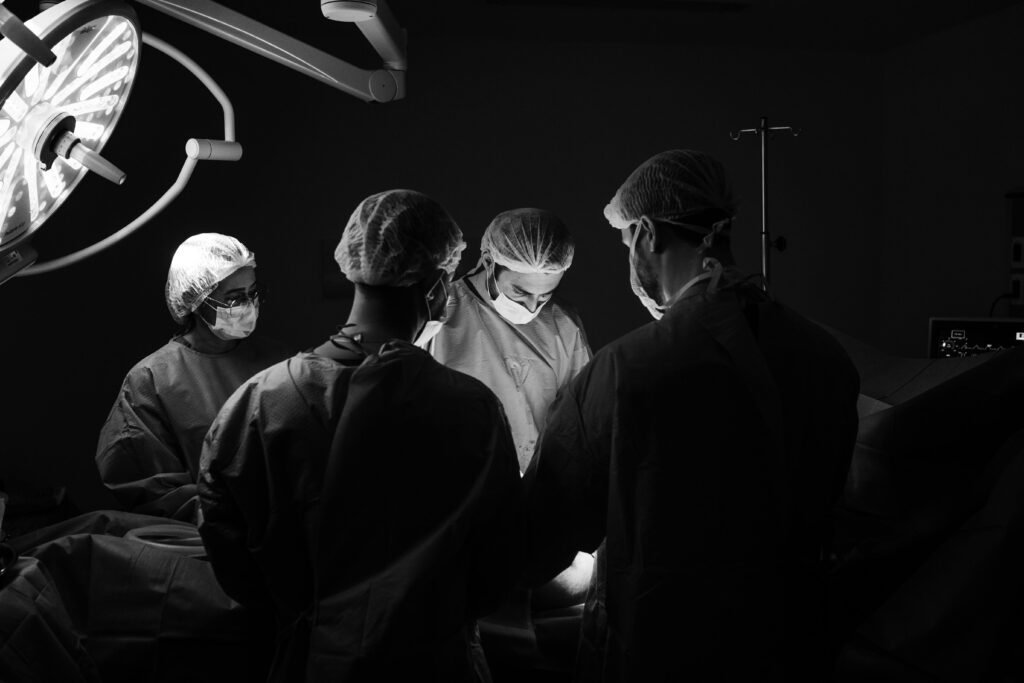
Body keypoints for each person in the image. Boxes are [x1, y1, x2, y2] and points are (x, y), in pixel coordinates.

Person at [521, 150, 861, 681]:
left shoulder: (628, 370)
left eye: (626, 241)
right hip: (792, 646)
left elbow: (540, 535)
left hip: (662, 651)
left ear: (647, 234)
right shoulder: (826, 358)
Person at [197, 190, 523, 682]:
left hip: (310, 663)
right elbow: (498, 563)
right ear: (438, 287)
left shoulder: (260, 403)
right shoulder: (469, 409)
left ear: (352, 271)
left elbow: (232, 558)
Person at [95, 233, 288, 522]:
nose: (248, 305)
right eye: (234, 298)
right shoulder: (150, 381)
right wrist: (237, 517)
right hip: (213, 541)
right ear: (197, 300)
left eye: (252, 293)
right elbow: (156, 493)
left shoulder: (278, 361)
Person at [425, 208, 591, 473]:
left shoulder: (563, 324)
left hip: (536, 491)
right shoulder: (439, 316)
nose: (532, 306)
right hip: (457, 486)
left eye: (545, 295)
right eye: (520, 291)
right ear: (490, 262)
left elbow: (581, 420)